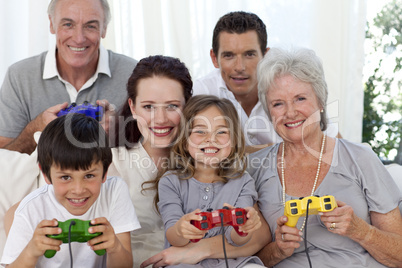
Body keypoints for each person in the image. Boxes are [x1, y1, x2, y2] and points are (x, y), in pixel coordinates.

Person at [247, 47, 402, 267]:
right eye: (278, 103)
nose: (290, 113)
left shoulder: (360, 158)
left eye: (300, 98)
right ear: (269, 112)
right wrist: (278, 250)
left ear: (320, 102)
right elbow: (241, 258)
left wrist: (360, 230)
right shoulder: (255, 169)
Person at [1, 114, 140, 268]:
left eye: (89, 175)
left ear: (105, 172)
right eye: (66, 177)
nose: (78, 190)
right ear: (46, 174)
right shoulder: (29, 210)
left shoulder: (115, 191)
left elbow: (125, 265)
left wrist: (115, 247)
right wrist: (31, 251)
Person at [0, 0, 137, 154]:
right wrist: (36, 130)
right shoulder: (19, 76)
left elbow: (156, 157)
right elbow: (3, 160)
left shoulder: (134, 74)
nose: (79, 38)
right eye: (68, 24)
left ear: (104, 28)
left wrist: (118, 134)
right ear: (51, 24)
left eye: (90, 26)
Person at [193, 11, 339, 150]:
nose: (240, 67)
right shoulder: (199, 93)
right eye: (229, 56)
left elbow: (336, 144)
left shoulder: (287, 87)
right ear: (214, 58)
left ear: (266, 55)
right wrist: (272, 150)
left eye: (249, 54)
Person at [156, 95, 265, 267]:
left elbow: (236, 240)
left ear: (234, 140)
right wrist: (181, 229)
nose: (211, 139)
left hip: (233, 263)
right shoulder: (170, 182)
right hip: (184, 263)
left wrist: (244, 228)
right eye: (200, 131)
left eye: (221, 132)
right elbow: (173, 236)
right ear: (185, 141)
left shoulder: (243, 181)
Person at [107, 55, 193, 267]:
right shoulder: (113, 163)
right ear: (133, 108)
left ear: (188, 106)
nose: (161, 119)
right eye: (148, 107)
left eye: (172, 106)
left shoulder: (206, 161)